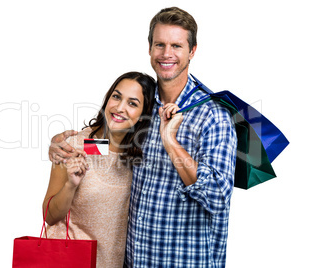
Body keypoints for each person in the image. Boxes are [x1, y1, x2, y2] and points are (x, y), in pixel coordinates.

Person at [49, 7, 238, 268]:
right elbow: (110, 152)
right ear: (150, 48)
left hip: (185, 262)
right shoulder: (142, 107)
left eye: (177, 45)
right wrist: (66, 148)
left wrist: (171, 144)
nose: (166, 54)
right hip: (135, 261)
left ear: (192, 51)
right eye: (159, 44)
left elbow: (217, 197)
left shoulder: (213, 116)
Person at [42, 71, 156, 268]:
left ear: (144, 115)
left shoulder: (138, 158)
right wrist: (70, 185)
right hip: (68, 262)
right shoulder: (76, 146)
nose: (119, 108)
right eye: (116, 96)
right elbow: (49, 217)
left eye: (132, 103)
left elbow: (113, 152)